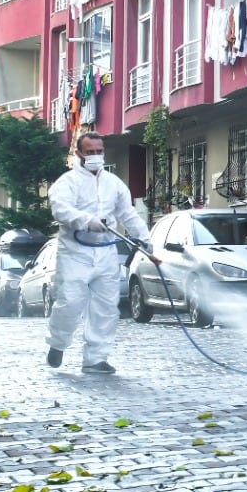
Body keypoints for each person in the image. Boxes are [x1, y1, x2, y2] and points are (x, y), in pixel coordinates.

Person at [45, 133, 150, 375]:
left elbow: (128, 214)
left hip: (105, 254)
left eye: (99, 151)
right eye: (90, 152)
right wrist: (87, 221)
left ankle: (95, 359)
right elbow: (61, 210)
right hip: (74, 253)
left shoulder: (114, 184)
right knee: (69, 303)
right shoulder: (67, 182)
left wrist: (144, 238)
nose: (95, 156)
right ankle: (58, 343)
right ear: (79, 154)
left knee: (106, 307)